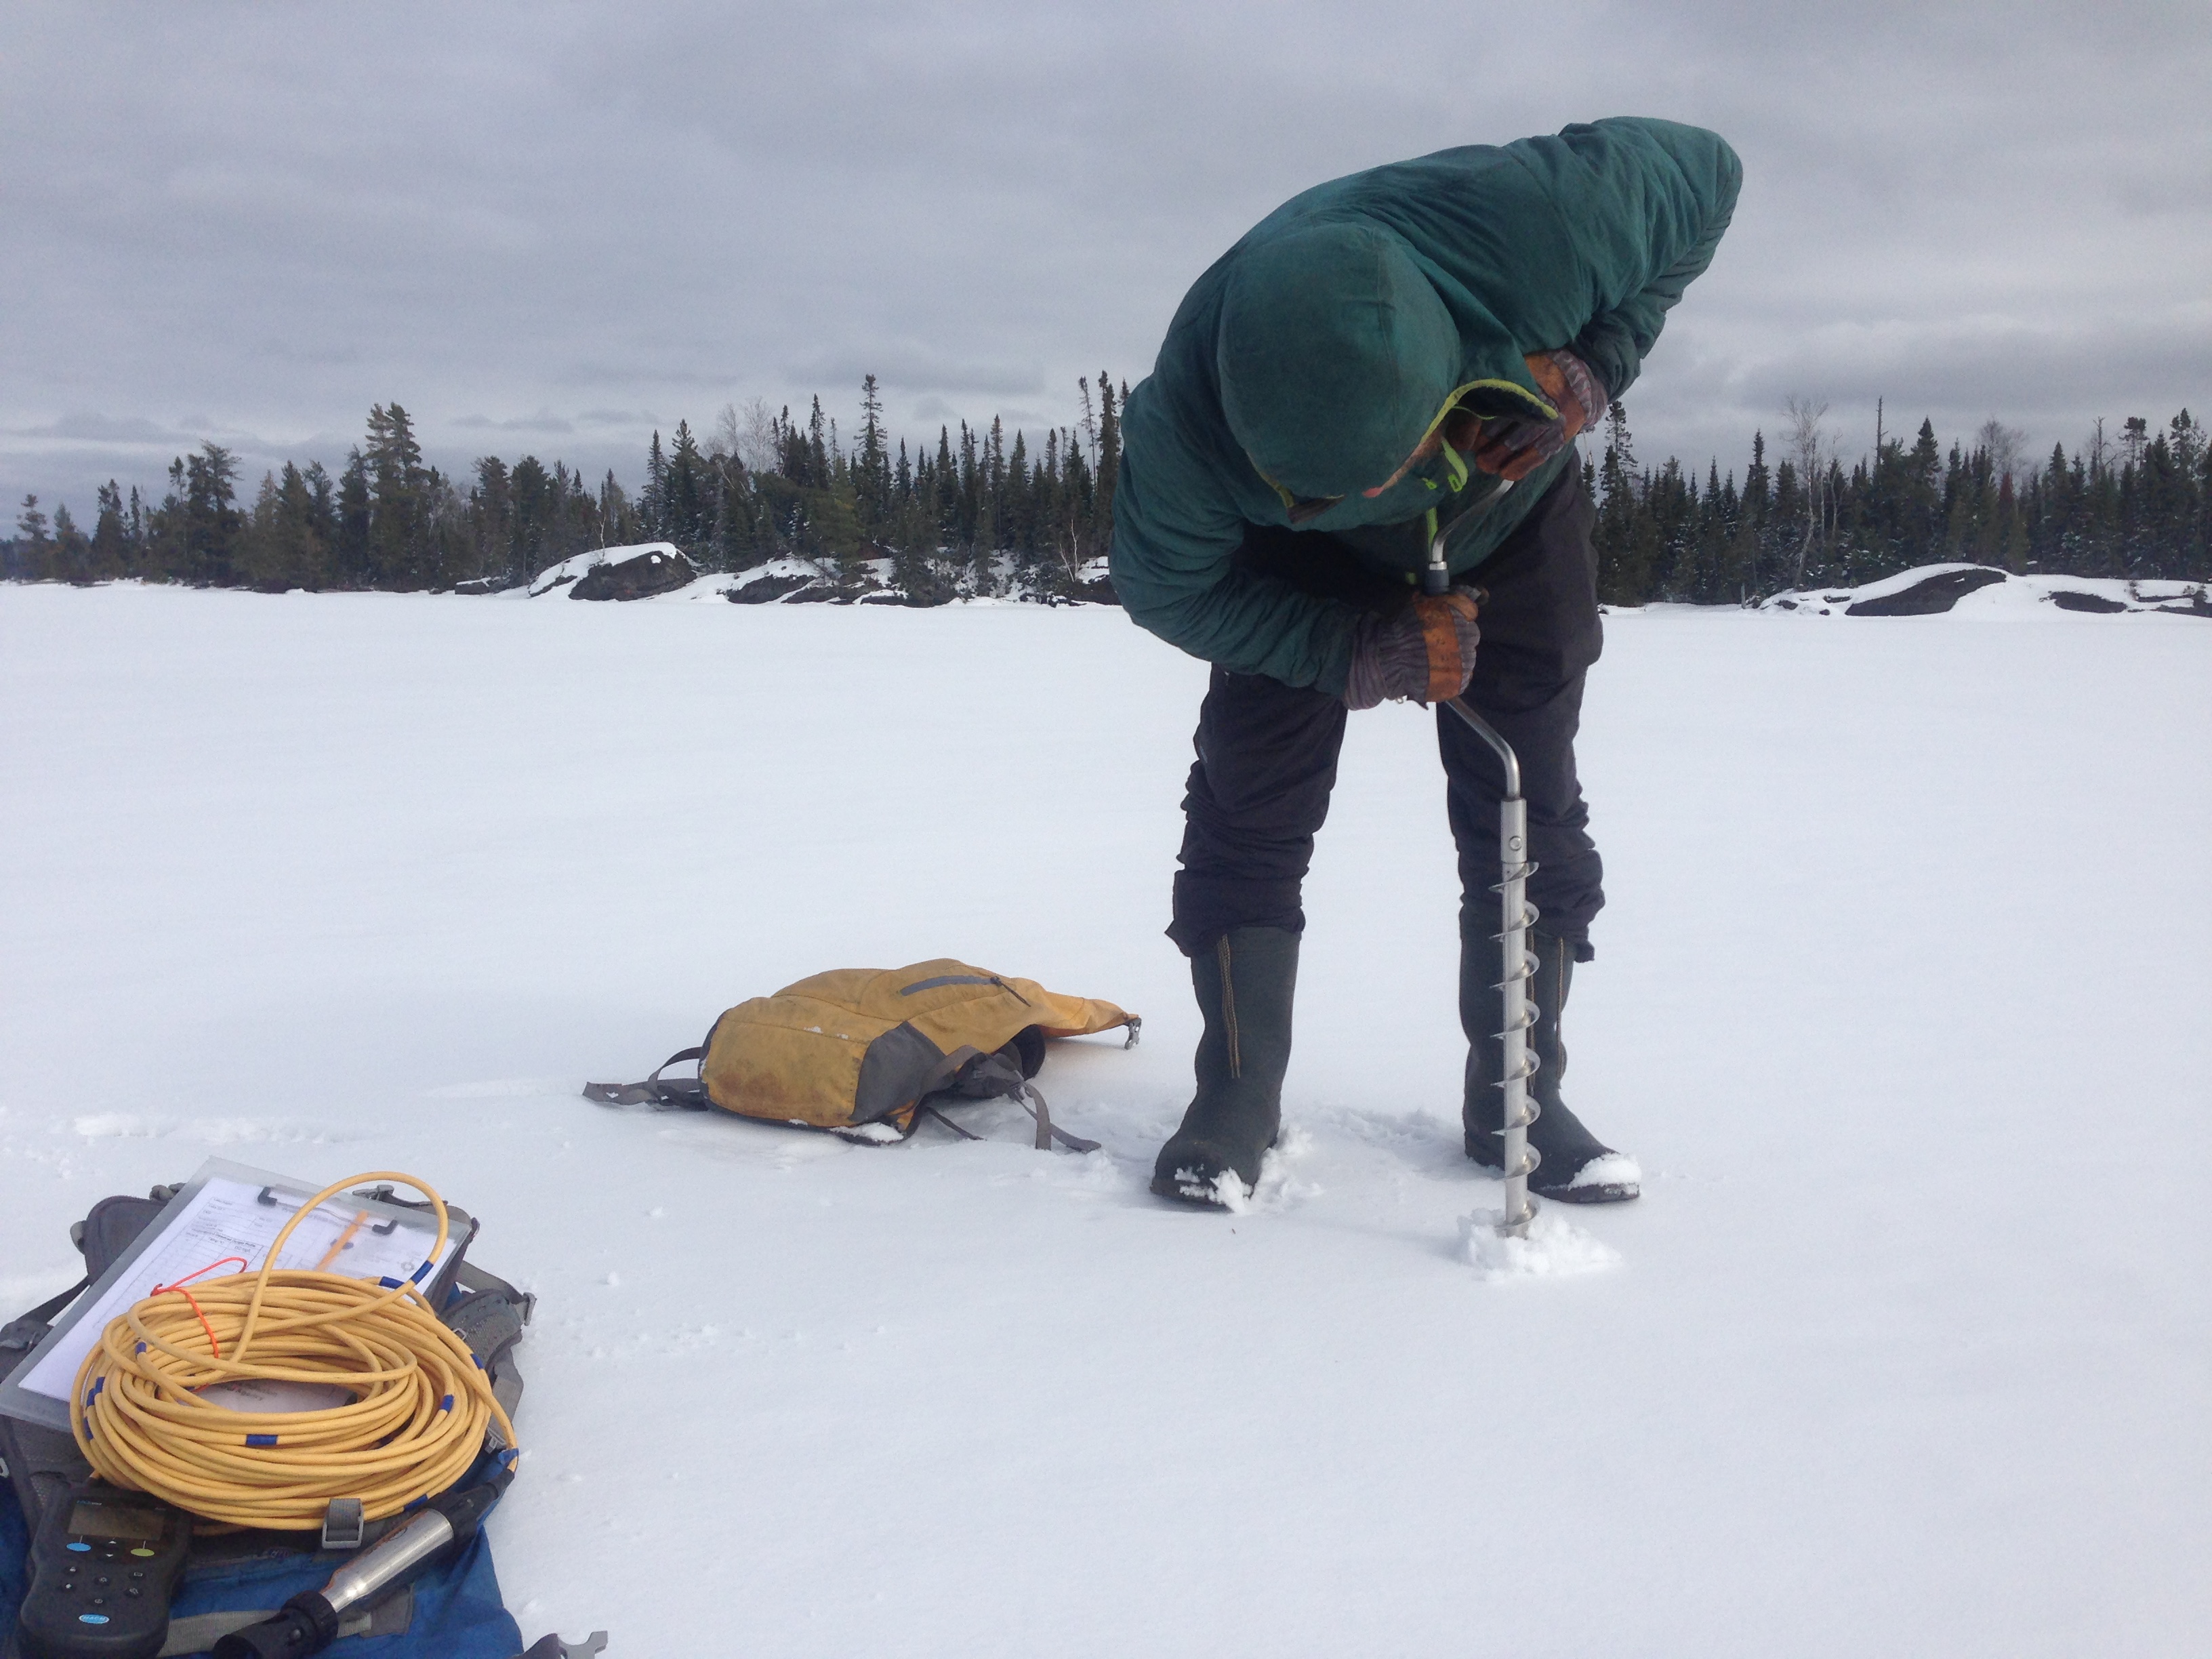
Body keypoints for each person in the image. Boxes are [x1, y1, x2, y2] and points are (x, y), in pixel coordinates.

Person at [1109, 117, 1741, 1208]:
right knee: (1250, 801)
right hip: (1292, 575)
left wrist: (1596, 366)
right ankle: (1237, 1092)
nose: (1365, 502)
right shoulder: (1184, 428)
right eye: (1320, 486)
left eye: (1385, 468)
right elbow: (1167, 586)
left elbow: (1710, 175)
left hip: (1513, 516)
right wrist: (1352, 646)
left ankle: (1520, 1094)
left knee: (1527, 790)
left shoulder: (1539, 228)